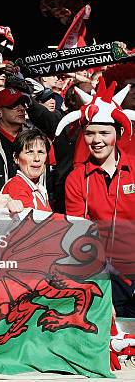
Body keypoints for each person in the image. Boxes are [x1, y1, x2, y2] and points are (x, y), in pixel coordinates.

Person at [61, 78, 135, 317]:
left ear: (119, 132)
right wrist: (98, 291)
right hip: (106, 276)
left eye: (104, 132)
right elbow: (79, 235)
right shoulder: (76, 179)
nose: (97, 140)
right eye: (90, 133)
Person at [1, 129, 52, 211]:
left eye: (41, 152)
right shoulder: (16, 187)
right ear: (16, 158)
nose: (37, 158)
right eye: (30, 152)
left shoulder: (38, 187)